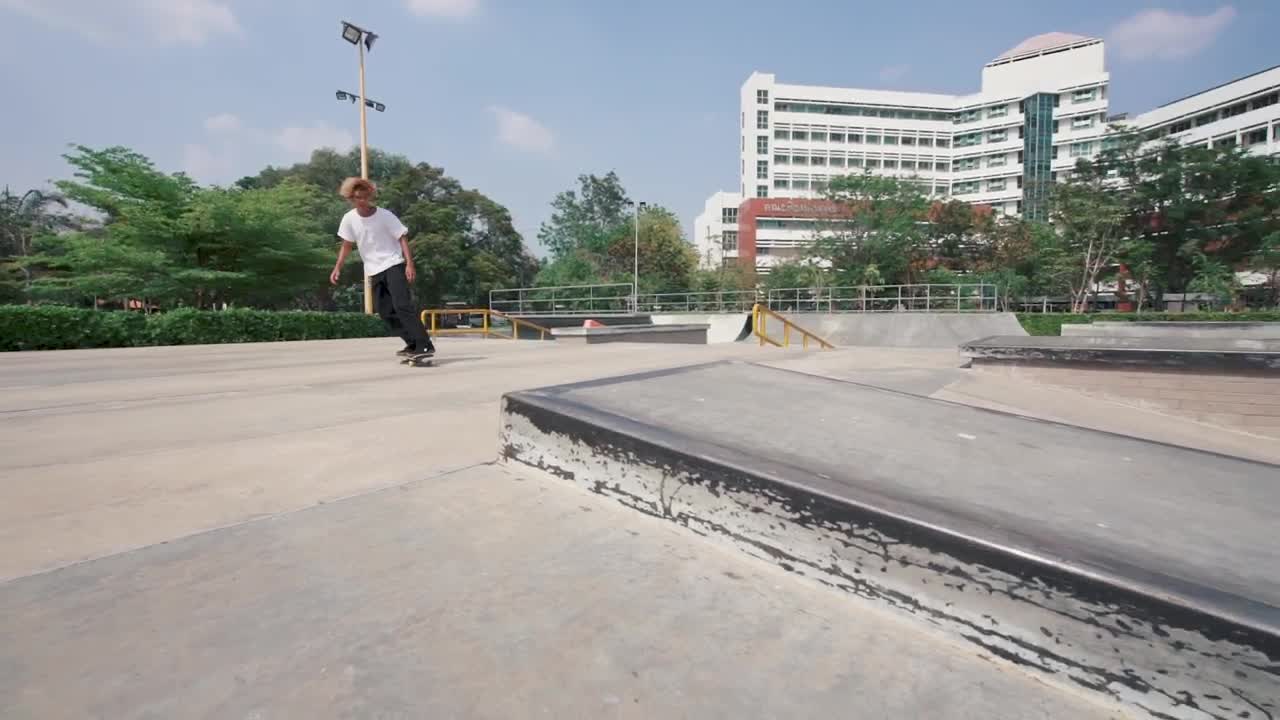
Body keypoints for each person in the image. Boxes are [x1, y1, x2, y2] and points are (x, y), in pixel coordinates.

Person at [330, 177, 435, 357]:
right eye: (357, 198)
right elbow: (346, 245)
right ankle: (412, 343)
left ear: (370, 196)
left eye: (364, 197)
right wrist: (337, 267)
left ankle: (424, 345)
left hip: (393, 264)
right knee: (385, 312)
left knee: (402, 305)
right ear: (350, 199)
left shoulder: (385, 215)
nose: (362, 202)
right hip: (373, 269)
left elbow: (402, 237)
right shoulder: (349, 219)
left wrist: (409, 264)